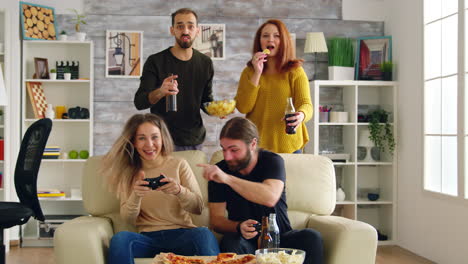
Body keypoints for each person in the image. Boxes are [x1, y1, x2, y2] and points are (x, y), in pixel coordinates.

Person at [198, 117, 324, 264]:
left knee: (312, 237)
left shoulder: (271, 161)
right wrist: (238, 227)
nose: (227, 156)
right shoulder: (220, 170)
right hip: (245, 240)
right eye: (224, 149)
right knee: (231, 243)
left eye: (234, 150)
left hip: (281, 237)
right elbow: (217, 221)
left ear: (252, 144)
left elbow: (270, 196)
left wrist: (227, 179)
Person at [103, 113, 220, 264]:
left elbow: (198, 207)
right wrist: (136, 195)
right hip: (148, 239)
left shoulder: (179, 164)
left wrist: (179, 191)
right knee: (120, 238)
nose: (149, 145)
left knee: (203, 233)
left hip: (182, 235)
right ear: (133, 142)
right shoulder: (128, 172)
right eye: (142, 138)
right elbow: (128, 219)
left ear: (163, 138)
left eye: (154, 137)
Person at [134, 8, 214, 151]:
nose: (185, 31)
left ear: (197, 30)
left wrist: (218, 110)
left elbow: (206, 100)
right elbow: (139, 102)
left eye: (190, 26)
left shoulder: (205, 63)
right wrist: (160, 92)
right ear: (172, 30)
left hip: (195, 140)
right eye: (180, 26)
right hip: (163, 140)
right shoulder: (156, 61)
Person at [235, 19, 313, 154]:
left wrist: (301, 115)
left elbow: (306, 104)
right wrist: (257, 73)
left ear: (284, 41)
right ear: (259, 41)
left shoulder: (295, 71)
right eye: (265, 36)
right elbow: (243, 107)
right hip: (257, 146)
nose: (270, 40)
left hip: (289, 145)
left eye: (276, 36)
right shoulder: (249, 72)